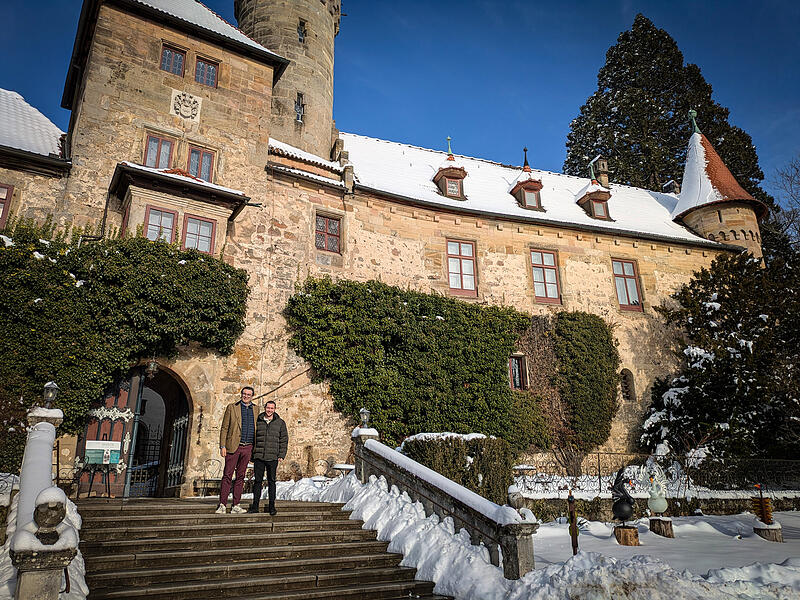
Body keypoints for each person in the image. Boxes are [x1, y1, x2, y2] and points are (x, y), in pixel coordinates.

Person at [216, 386, 256, 514]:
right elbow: (224, 428)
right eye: (244, 394)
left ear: (252, 396)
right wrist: (222, 446)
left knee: (241, 476)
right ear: (241, 394)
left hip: (248, 446)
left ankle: (236, 505)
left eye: (248, 394)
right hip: (233, 446)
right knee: (227, 475)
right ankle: (222, 504)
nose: (246, 396)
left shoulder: (256, 409)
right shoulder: (232, 407)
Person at [249, 400, 288, 515]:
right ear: (265, 408)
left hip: (272, 457)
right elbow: (253, 437)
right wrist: (252, 454)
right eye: (268, 408)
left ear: (274, 409)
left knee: (272, 482)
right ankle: (255, 505)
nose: (269, 410)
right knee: (257, 482)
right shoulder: (258, 421)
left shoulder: (280, 423)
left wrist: (281, 454)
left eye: (272, 408)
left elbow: (284, 439)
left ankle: (272, 506)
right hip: (259, 456)